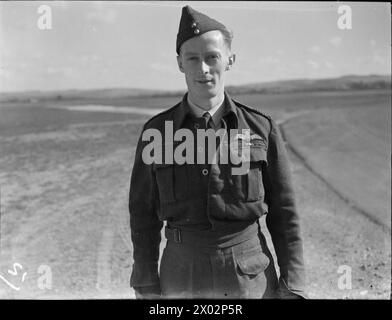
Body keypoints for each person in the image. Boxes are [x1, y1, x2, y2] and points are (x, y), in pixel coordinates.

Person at [129, 5, 306, 299]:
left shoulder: (261, 128)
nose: (203, 69)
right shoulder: (157, 133)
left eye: (212, 57)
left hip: (249, 276)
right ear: (179, 63)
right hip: (181, 275)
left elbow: (285, 213)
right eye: (193, 58)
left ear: (230, 60)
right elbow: (143, 215)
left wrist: (294, 284)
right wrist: (146, 283)